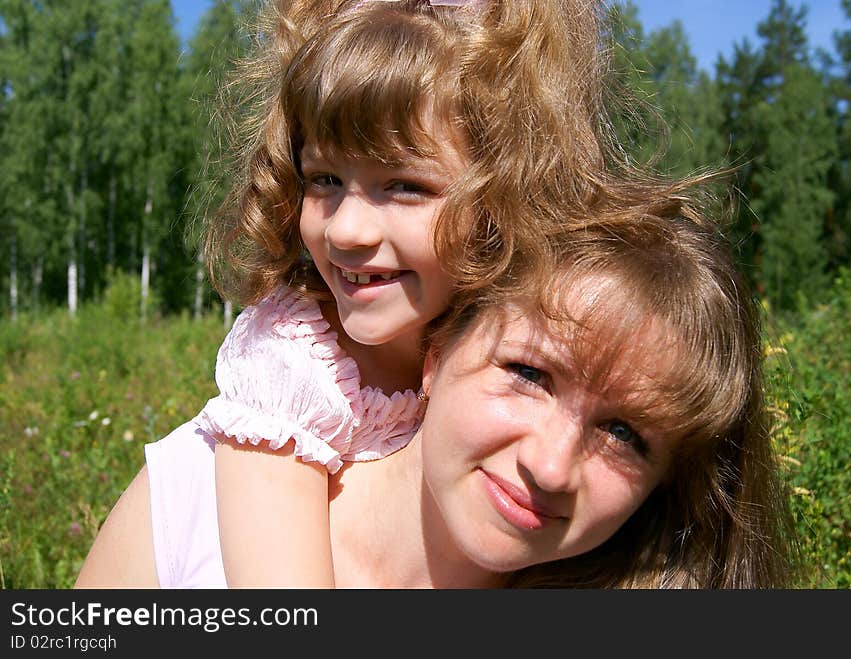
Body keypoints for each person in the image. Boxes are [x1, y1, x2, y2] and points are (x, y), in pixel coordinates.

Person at [73, 198, 795, 588]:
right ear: (438, 348)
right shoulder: (193, 499)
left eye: (626, 435)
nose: (549, 465)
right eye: (529, 373)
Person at [188, 0, 616, 588]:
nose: (345, 230)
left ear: (503, 199)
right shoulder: (291, 366)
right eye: (325, 180)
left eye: (405, 186)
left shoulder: (499, 340)